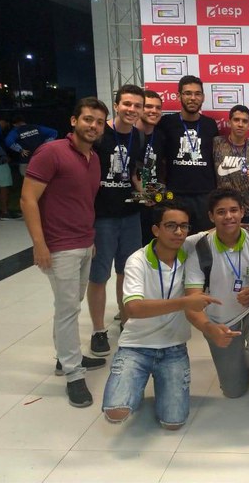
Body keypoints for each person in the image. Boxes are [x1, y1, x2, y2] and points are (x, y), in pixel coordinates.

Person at [20, 97, 110, 408]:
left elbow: (83, 202)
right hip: (59, 246)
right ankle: (73, 374)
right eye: (88, 119)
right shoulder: (51, 152)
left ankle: (65, 357)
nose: (93, 126)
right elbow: (27, 199)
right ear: (74, 121)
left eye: (99, 122)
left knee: (69, 305)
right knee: (69, 309)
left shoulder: (93, 159)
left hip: (84, 242)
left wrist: (90, 240)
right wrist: (39, 244)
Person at [102, 202, 216, 429]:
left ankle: (155, 384)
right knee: (115, 413)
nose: (179, 232)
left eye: (184, 226)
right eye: (171, 226)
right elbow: (133, 308)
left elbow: (220, 228)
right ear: (156, 229)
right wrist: (184, 302)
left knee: (173, 422)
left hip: (173, 348)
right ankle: (136, 382)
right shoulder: (137, 260)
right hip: (136, 346)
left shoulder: (188, 248)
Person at [183, 188, 249, 413]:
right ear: (211, 216)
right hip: (220, 320)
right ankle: (243, 357)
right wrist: (209, 328)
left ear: (242, 212)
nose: (228, 216)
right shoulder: (199, 248)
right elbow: (191, 303)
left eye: (233, 210)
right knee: (233, 390)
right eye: (221, 212)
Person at [86, 84, 145, 357]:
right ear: (117, 105)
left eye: (137, 105)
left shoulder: (138, 136)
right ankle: (98, 331)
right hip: (102, 218)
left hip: (130, 215)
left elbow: (134, 174)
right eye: (127, 104)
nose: (132, 109)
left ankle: (126, 321)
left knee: (127, 272)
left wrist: (145, 193)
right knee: (99, 275)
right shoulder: (100, 135)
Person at [158, 75, 219, 232]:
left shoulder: (210, 125)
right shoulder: (166, 123)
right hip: (175, 193)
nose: (193, 98)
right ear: (179, 96)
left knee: (204, 241)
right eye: (188, 93)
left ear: (203, 97)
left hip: (205, 194)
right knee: (175, 239)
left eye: (197, 94)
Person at [213, 105, 249, 224]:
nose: (240, 124)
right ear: (229, 122)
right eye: (236, 120)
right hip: (224, 209)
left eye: (244, 121)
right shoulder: (216, 144)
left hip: (248, 209)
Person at [136, 89, 166, 246]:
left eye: (158, 107)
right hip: (132, 207)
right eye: (148, 106)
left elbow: (163, 167)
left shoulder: (161, 137)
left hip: (155, 204)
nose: (153, 111)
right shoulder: (129, 135)